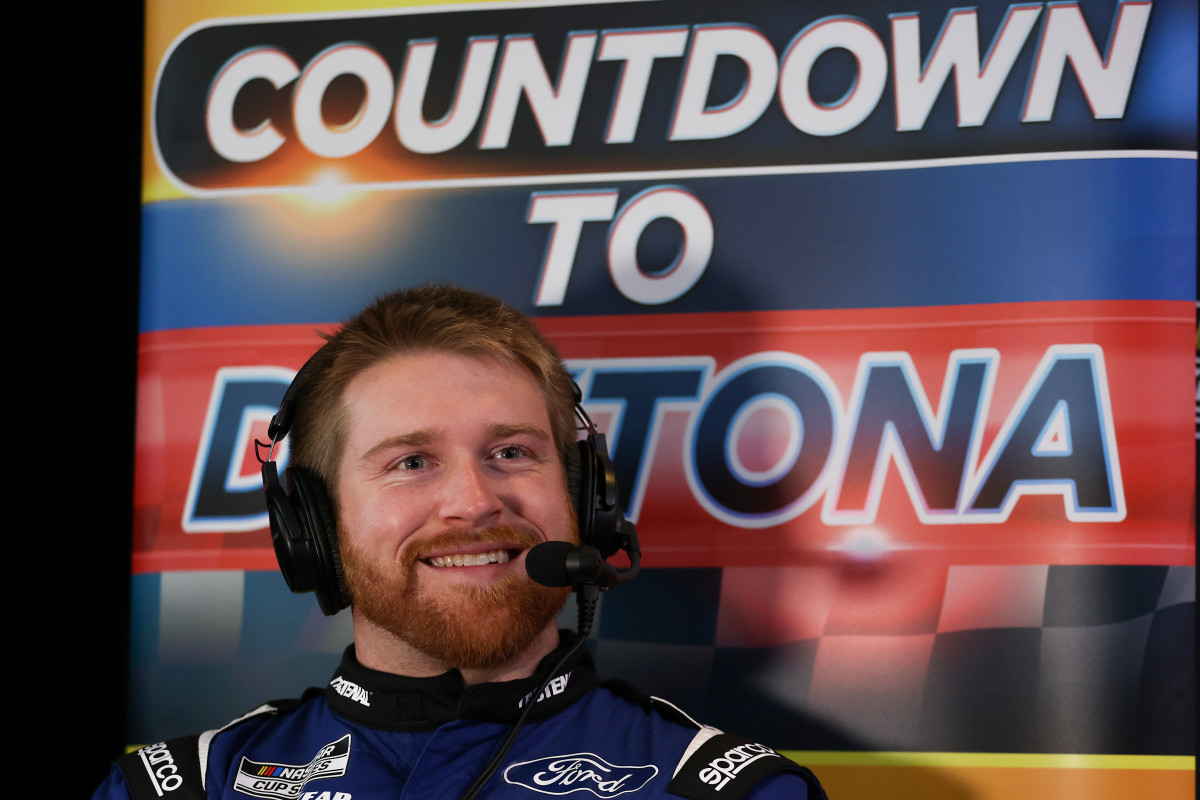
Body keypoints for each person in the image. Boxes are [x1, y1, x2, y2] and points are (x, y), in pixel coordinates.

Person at [95, 285, 828, 799]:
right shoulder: (182, 789)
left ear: (583, 500)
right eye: (411, 463)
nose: (475, 502)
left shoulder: (728, 789)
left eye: (511, 452)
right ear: (313, 526)